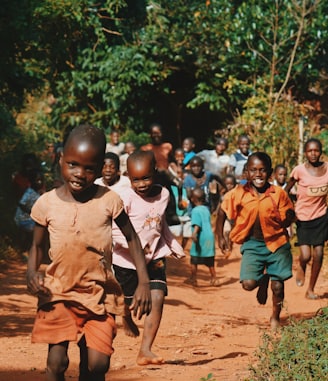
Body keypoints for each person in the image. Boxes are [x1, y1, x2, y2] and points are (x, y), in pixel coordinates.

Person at [26, 124, 151, 381]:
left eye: (89, 168)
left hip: (99, 293)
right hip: (58, 291)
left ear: (99, 167)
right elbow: (37, 246)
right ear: (61, 159)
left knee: (97, 365)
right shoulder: (46, 203)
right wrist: (31, 271)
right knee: (57, 362)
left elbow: (132, 238)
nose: (79, 173)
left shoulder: (108, 200)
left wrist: (144, 281)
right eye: (72, 164)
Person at [112, 150, 185, 366]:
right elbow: (114, 231)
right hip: (126, 260)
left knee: (157, 297)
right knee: (133, 303)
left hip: (155, 255)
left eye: (146, 178)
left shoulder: (163, 194)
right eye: (136, 179)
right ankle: (124, 313)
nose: (142, 184)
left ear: (155, 172)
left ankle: (145, 350)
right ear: (128, 176)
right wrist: (134, 246)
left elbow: (160, 224)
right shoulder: (124, 198)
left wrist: (172, 244)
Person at [216, 152, 295, 331]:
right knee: (248, 284)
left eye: (262, 170)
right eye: (253, 170)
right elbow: (222, 211)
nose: (258, 175)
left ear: (271, 173)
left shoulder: (279, 194)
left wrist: (288, 218)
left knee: (278, 287)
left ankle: (275, 317)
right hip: (253, 244)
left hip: (277, 244)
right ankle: (262, 279)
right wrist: (219, 236)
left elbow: (288, 216)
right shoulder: (239, 193)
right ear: (246, 173)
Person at [285, 138, 328, 300]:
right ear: (305, 153)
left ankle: (310, 289)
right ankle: (301, 266)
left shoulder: (327, 169)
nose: (313, 154)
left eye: (316, 150)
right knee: (305, 255)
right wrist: (291, 209)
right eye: (310, 151)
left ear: (321, 151)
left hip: (321, 217)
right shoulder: (299, 170)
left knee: (318, 254)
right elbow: (286, 190)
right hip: (302, 217)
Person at [186, 187, 219, 287]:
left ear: (192, 199)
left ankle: (193, 278)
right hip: (209, 237)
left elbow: (197, 224)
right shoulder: (206, 209)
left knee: (194, 258)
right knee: (209, 260)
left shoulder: (195, 210)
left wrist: (194, 234)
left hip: (200, 237)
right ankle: (214, 278)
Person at [14, 169, 45, 255]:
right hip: (23, 218)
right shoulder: (29, 192)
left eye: (41, 180)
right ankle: (25, 250)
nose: (40, 182)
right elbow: (21, 204)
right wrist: (31, 212)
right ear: (32, 181)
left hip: (31, 219)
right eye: (37, 180)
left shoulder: (39, 193)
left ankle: (31, 251)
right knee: (34, 232)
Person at [168, 164, 191, 250]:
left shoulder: (191, 189)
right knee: (176, 233)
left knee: (187, 234)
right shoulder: (174, 188)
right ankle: (173, 248)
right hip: (177, 216)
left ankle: (182, 248)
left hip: (187, 216)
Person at [220, 174, 237, 258]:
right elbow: (221, 207)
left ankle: (230, 244)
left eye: (231, 184)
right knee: (226, 232)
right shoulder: (223, 195)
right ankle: (228, 247)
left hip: (236, 219)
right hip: (227, 218)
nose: (229, 186)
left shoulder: (237, 195)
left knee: (232, 234)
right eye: (227, 184)